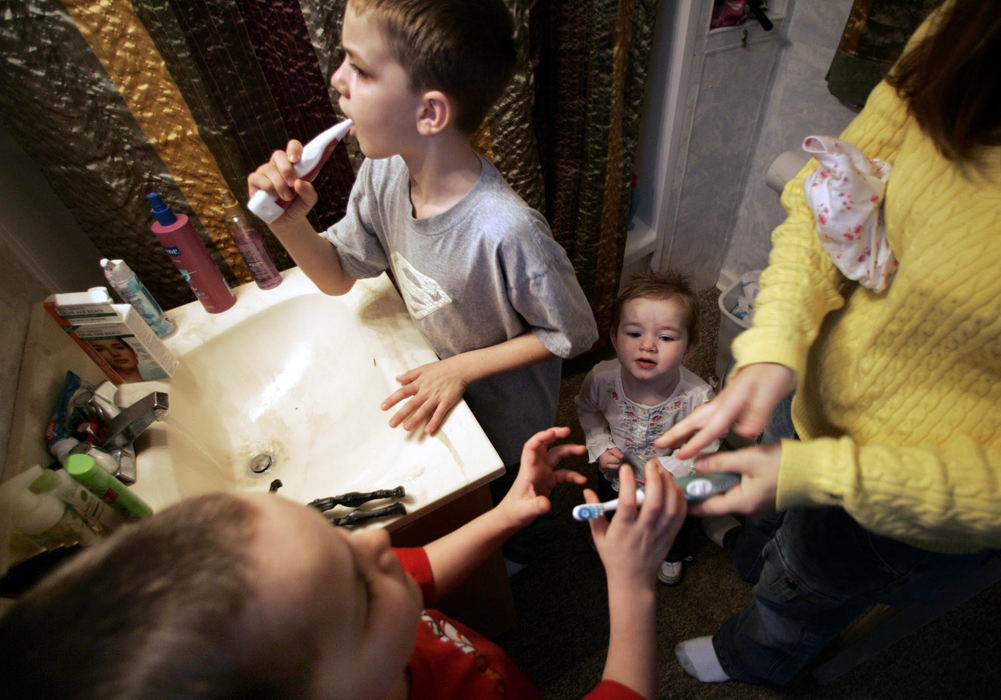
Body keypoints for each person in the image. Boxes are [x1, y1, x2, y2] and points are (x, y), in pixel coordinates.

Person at [655, 0, 1001, 685]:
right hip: (812, 391)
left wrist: (822, 475)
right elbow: (836, 196)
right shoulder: (967, 29)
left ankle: (749, 655)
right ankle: (759, 554)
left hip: (905, 502)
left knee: (801, 593)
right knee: (772, 529)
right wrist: (777, 342)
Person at [0, 427, 688, 699]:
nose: (374, 544)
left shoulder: (341, 633)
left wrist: (505, 513)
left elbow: (412, 578)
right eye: (358, 584)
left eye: (336, 536)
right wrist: (631, 588)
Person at [247, 0, 598, 478]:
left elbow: (574, 332)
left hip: (510, 422)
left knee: (516, 505)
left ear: (430, 112)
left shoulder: (507, 232)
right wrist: (288, 224)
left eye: (361, 69)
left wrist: (460, 368)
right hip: (445, 395)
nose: (336, 79)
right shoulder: (384, 172)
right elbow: (336, 278)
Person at [575, 271, 724, 585]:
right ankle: (610, 536)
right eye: (633, 333)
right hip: (617, 472)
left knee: (671, 523)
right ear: (614, 337)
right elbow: (588, 409)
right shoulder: (602, 379)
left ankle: (671, 553)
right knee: (611, 508)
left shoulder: (696, 397)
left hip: (668, 484)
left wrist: (674, 467)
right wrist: (600, 444)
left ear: (689, 348)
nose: (647, 345)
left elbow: (707, 440)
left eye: (666, 337)